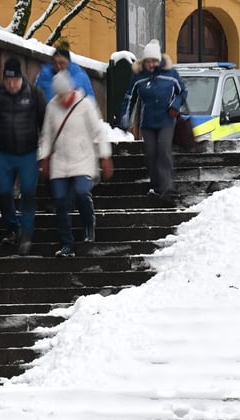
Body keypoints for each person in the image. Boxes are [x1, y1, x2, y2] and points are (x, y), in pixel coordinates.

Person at [38, 71, 113, 258]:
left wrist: (105, 156)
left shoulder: (85, 104)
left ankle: (89, 221)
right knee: (60, 201)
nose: (62, 99)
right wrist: (44, 157)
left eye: (65, 94)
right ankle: (67, 244)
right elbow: (47, 135)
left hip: (83, 159)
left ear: (71, 90)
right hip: (60, 161)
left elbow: (99, 131)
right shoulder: (52, 107)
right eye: (59, 95)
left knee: (81, 192)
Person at [0, 57, 47, 255]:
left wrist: (46, 151)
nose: (11, 84)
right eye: (7, 80)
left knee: (28, 192)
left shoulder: (34, 94)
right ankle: (11, 227)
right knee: (2, 191)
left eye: (14, 80)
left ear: (21, 78)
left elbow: (45, 124)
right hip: (3, 152)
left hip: (28, 152)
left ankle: (26, 232)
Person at [118, 39, 188, 205]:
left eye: (154, 61)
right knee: (151, 153)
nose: (151, 64)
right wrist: (125, 119)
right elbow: (129, 98)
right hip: (147, 122)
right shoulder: (139, 77)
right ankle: (156, 186)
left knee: (164, 150)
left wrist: (175, 105)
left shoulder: (170, 74)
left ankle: (168, 189)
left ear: (159, 60)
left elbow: (183, 91)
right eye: (148, 61)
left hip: (167, 120)